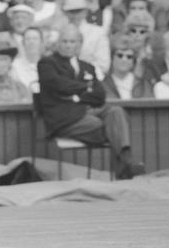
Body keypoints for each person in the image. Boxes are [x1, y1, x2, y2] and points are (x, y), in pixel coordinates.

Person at [36, 24, 145, 179]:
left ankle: (126, 161)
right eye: (65, 41)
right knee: (108, 127)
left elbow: (99, 95)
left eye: (72, 42)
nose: (68, 45)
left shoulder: (87, 67)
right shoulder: (47, 64)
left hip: (87, 111)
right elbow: (59, 85)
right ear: (58, 43)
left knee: (116, 111)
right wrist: (86, 87)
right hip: (64, 120)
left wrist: (76, 96)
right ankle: (126, 168)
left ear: (80, 44)